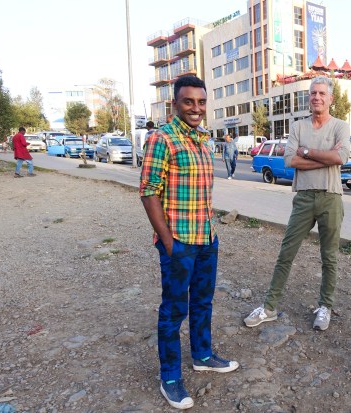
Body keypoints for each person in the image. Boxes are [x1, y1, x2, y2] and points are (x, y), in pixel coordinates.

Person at [139, 75, 239, 410]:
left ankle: (202, 354)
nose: (196, 108)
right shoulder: (162, 139)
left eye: (201, 102)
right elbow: (149, 192)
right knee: (173, 309)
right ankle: (169, 376)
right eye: (188, 102)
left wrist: (213, 230)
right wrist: (168, 242)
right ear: (175, 104)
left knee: (203, 302)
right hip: (179, 241)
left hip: (207, 237)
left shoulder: (202, 139)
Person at [244, 76, 350, 331]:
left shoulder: (340, 126)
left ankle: (325, 306)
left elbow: (342, 156)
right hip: (303, 197)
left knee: (329, 256)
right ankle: (269, 307)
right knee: (286, 253)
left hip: (330, 196)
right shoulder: (298, 126)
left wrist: (307, 152)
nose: (317, 97)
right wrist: (326, 158)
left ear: (330, 99)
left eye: (322, 94)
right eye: (313, 93)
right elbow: (290, 161)